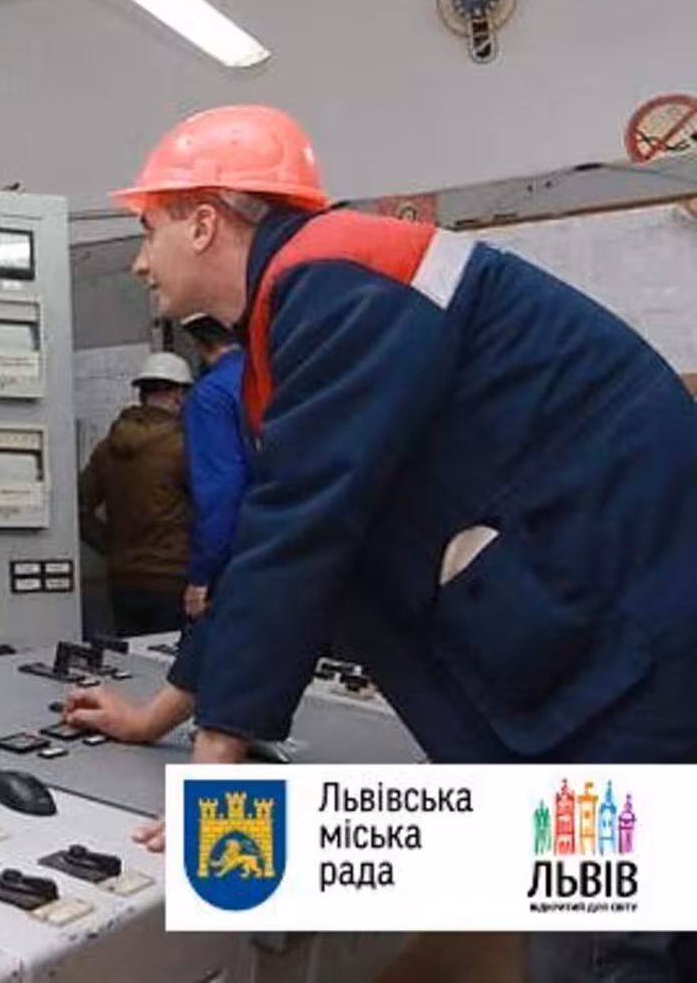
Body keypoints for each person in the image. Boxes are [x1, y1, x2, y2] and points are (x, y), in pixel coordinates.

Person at [60, 104, 697, 983]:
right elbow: (275, 533)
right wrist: (160, 715)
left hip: (624, 645)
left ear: (204, 222)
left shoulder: (343, 281)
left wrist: (217, 769)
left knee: (601, 938)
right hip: (593, 627)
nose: (138, 260)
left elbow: (302, 529)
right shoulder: (310, 302)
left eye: (148, 229)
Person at [76, 352, 195, 638]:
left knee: (133, 659)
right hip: (173, 579)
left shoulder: (107, 447)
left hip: (122, 580)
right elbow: (211, 506)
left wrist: (111, 546)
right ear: (178, 395)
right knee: (171, 659)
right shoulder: (184, 446)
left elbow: (78, 508)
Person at [178, 314, 248, 623]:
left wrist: (201, 574)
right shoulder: (280, 376)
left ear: (199, 345)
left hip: (239, 558)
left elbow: (221, 490)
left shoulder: (211, 394)